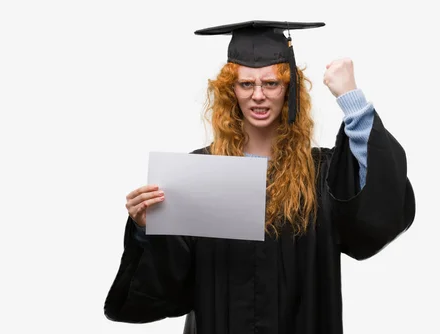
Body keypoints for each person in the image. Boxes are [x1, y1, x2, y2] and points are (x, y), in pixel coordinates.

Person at [103, 20, 416, 334]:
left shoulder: (320, 174)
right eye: (246, 84)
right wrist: (147, 227)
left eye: (271, 83)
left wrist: (352, 100)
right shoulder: (201, 173)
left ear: (288, 89)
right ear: (231, 91)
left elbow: (380, 207)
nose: (258, 95)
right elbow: (171, 284)